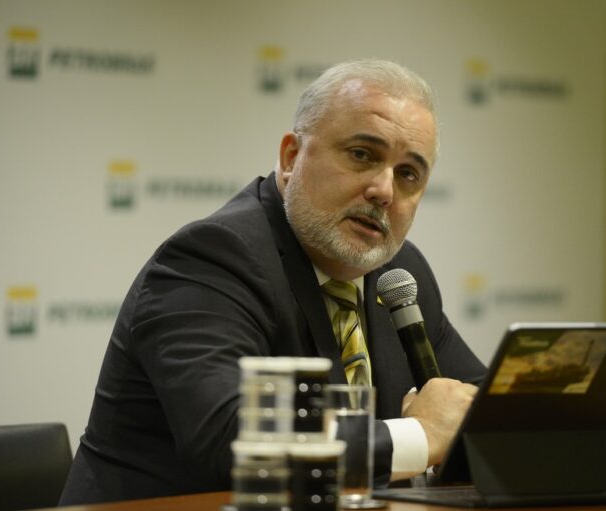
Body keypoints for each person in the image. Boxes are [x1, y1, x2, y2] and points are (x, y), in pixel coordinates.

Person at [59, 59, 486, 505]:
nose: (384, 190)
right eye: (362, 155)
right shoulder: (215, 256)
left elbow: (489, 412)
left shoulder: (400, 274)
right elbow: (234, 440)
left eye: (408, 174)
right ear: (291, 157)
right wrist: (419, 435)